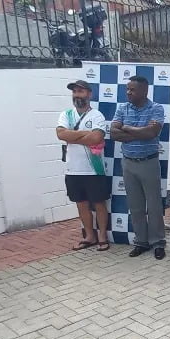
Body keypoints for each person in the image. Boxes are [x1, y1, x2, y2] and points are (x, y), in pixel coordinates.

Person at [111, 76, 166, 259]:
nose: (128, 92)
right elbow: (113, 133)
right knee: (135, 206)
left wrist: (126, 128)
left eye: (132, 89)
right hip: (128, 163)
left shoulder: (156, 108)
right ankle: (141, 242)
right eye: (127, 89)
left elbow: (152, 132)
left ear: (144, 91)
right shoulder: (122, 108)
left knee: (154, 206)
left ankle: (158, 243)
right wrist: (140, 133)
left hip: (149, 162)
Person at [57, 80, 110, 251]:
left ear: (89, 94)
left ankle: (102, 236)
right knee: (81, 204)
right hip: (73, 169)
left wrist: (72, 136)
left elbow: (96, 138)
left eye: (80, 91)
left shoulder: (96, 115)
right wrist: (85, 134)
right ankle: (89, 236)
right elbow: (60, 134)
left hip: (94, 169)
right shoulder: (66, 114)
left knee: (99, 204)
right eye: (74, 92)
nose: (77, 95)